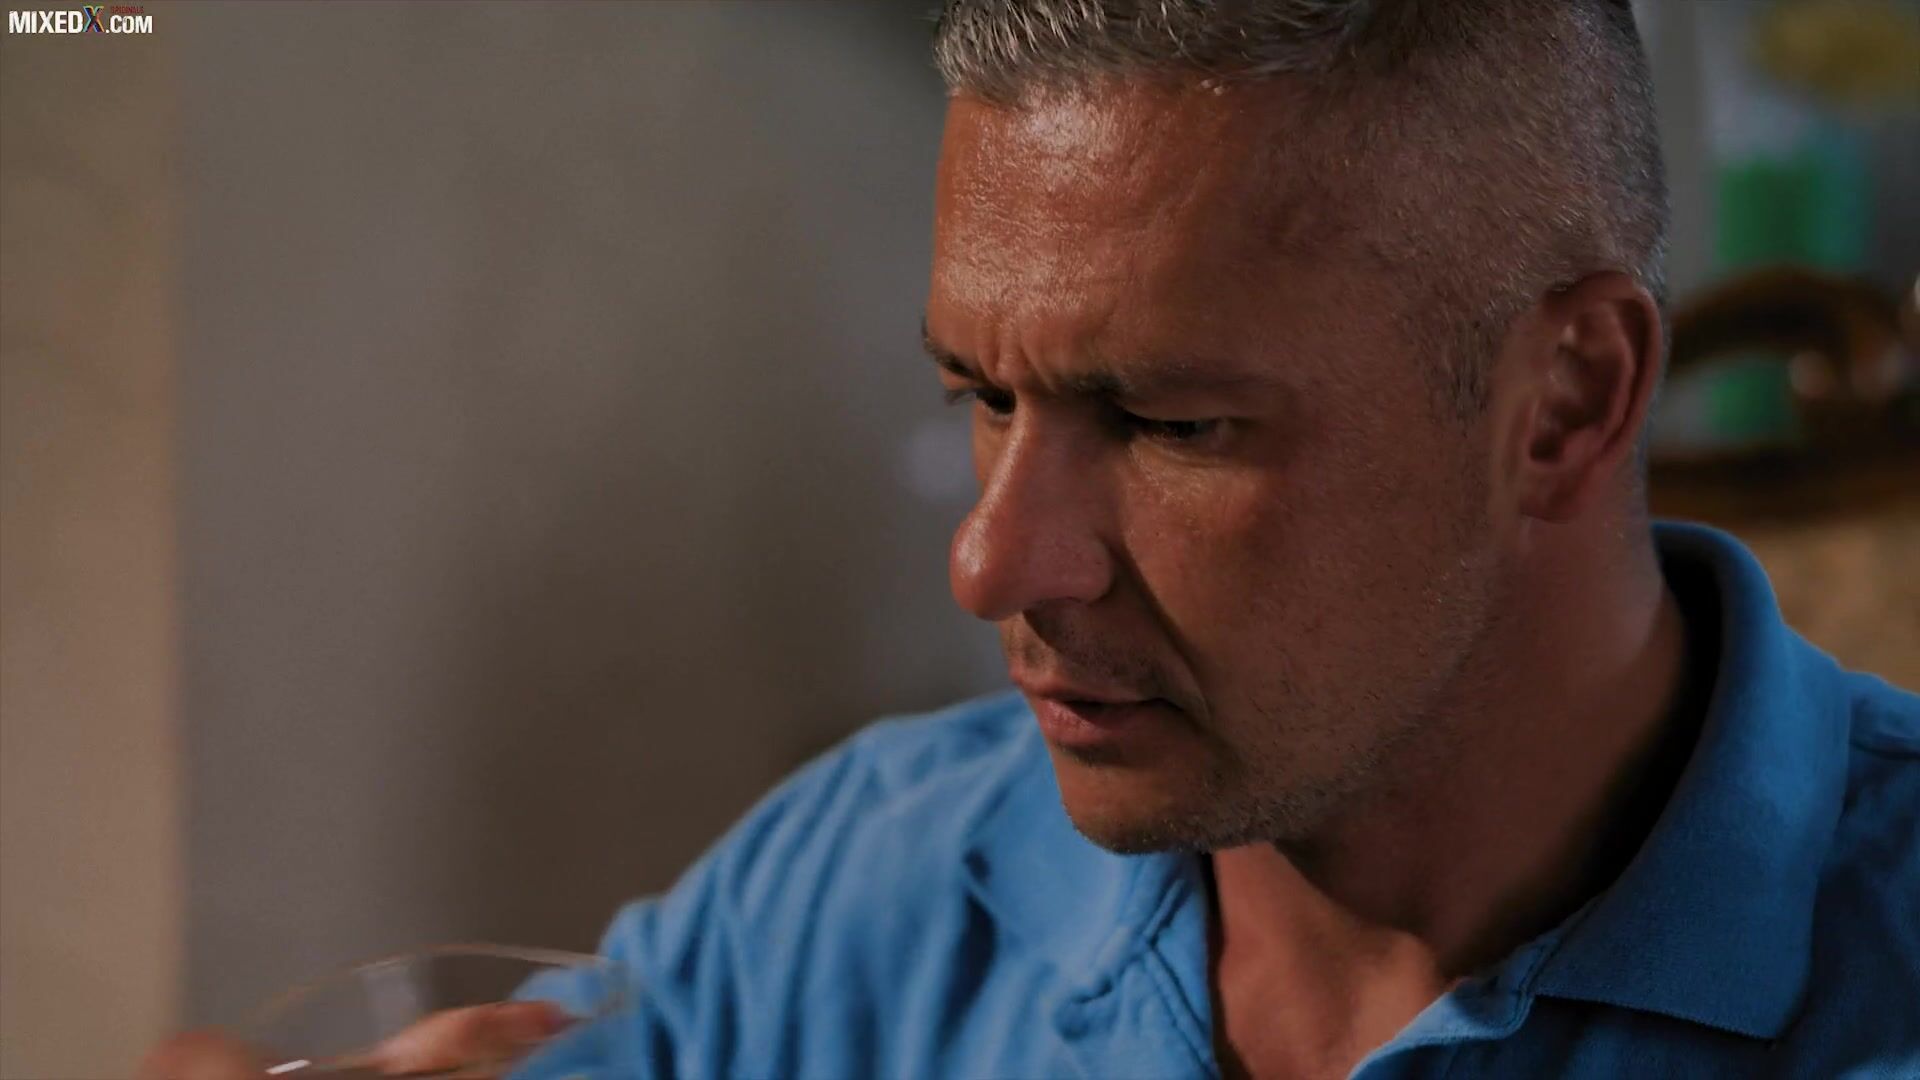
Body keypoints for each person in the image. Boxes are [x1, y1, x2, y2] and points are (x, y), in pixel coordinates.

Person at [143, 1, 1920, 1077]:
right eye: (982, 396)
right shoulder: (859, 886)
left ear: (1567, 400)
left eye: (1171, 423)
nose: (994, 564)